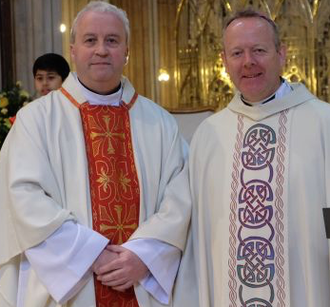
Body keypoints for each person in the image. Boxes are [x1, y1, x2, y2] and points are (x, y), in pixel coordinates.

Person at [0, 2, 197, 307]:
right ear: (73, 50)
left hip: (141, 283)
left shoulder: (159, 122)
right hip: (69, 289)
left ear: (127, 51)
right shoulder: (36, 120)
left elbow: (181, 197)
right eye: (90, 40)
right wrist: (90, 253)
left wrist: (144, 256)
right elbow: (23, 198)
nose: (101, 50)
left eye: (112, 40)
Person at [189, 8, 330, 307]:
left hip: (309, 288)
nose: (248, 62)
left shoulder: (322, 122)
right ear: (225, 62)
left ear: (282, 54)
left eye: (259, 50)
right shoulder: (209, 135)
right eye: (237, 52)